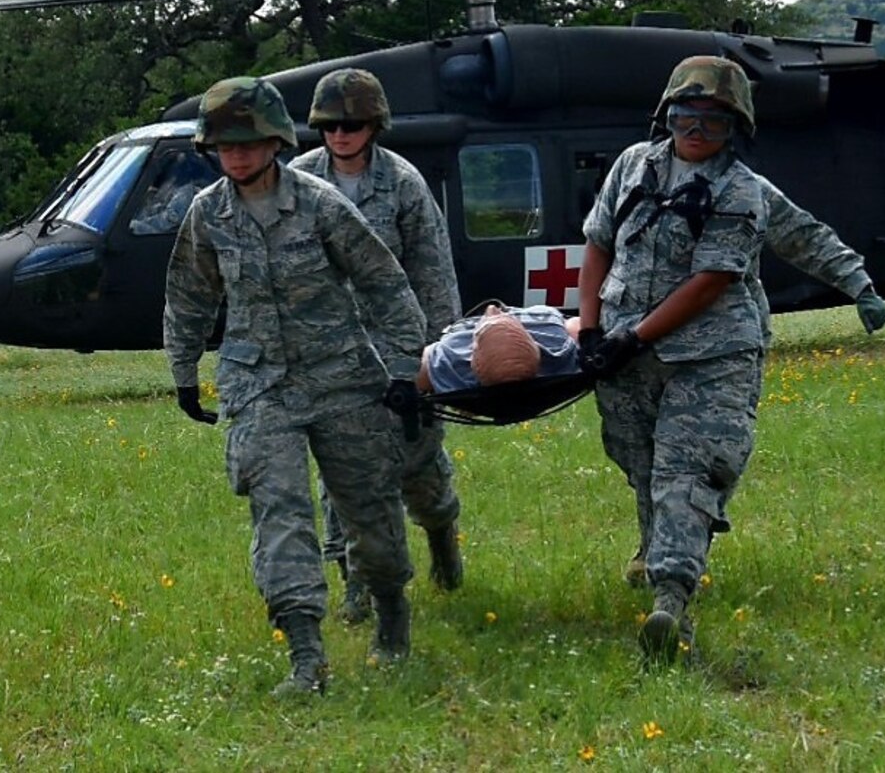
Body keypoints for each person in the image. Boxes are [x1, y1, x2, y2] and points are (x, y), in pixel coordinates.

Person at [576, 55, 885, 666]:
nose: (697, 130)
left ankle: (671, 602)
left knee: (687, 475)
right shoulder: (630, 167)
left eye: (714, 123)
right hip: (623, 351)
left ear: (735, 130)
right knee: (640, 463)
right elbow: (597, 243)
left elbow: (715, 279)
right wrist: (590, 328)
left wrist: (859, 285)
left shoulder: (741, 192)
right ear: (666, 116)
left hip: (711, 355)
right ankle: (654, 553)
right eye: (687, 116)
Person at [163, 76, 427, 698]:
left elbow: (386, 285)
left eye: (250, 142)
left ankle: (390, 607)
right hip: (259, 384)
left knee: (370, 511)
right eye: (226, 145)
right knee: (278, 513)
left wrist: (402, 368)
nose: (238, 155)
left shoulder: (322, 205)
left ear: (276, 141)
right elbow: (188, 294)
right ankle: (306, 658)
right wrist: (183, 374)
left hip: (342, 376)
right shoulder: (208, 214)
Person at [288, 68, 465, 623]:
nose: (341, 135)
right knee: (340, 469)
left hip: (396, 345)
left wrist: (433, 358)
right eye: (331, 126)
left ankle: (441, 535)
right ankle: (356, 583)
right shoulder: (295, 181)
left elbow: (433, 273)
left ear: (374, 127)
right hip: (328, 349)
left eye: (353, 125)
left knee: (419, 466)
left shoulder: (403, 185)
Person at [417, 303, 582, 395]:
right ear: (536, 346)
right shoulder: (557, 342)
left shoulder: (450, 357)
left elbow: (414, 368)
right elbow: (580, 328)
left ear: (473, 360)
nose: (492, 308)